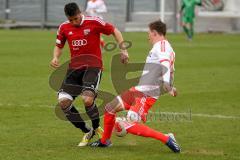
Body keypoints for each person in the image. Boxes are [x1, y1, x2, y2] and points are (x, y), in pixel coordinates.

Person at [90, 20, 181, 153]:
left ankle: (166, 138)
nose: (147, 36)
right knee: (110, 108)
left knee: (129, 123)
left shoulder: (161, 46)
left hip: (147, 94)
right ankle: (105, 141)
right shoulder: (165, 47)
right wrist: (170, 86)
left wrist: (167, 85)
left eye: (149, 33)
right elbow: (168, 69)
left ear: (155, 33)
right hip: (139, 89)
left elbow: (165, 65)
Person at [50, 2, 129, 147]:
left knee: (87, 99)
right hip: (74, 69)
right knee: (63, 102)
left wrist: (123, 50)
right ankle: (86, 131)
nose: (74, 22)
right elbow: (59, 45)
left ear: (80, 13)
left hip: (93, 67)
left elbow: (115, 31)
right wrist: (56, 57)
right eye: (71, 20)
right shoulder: (64, 27)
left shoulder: (94, 22)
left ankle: (96, 127)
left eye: (76, 18)